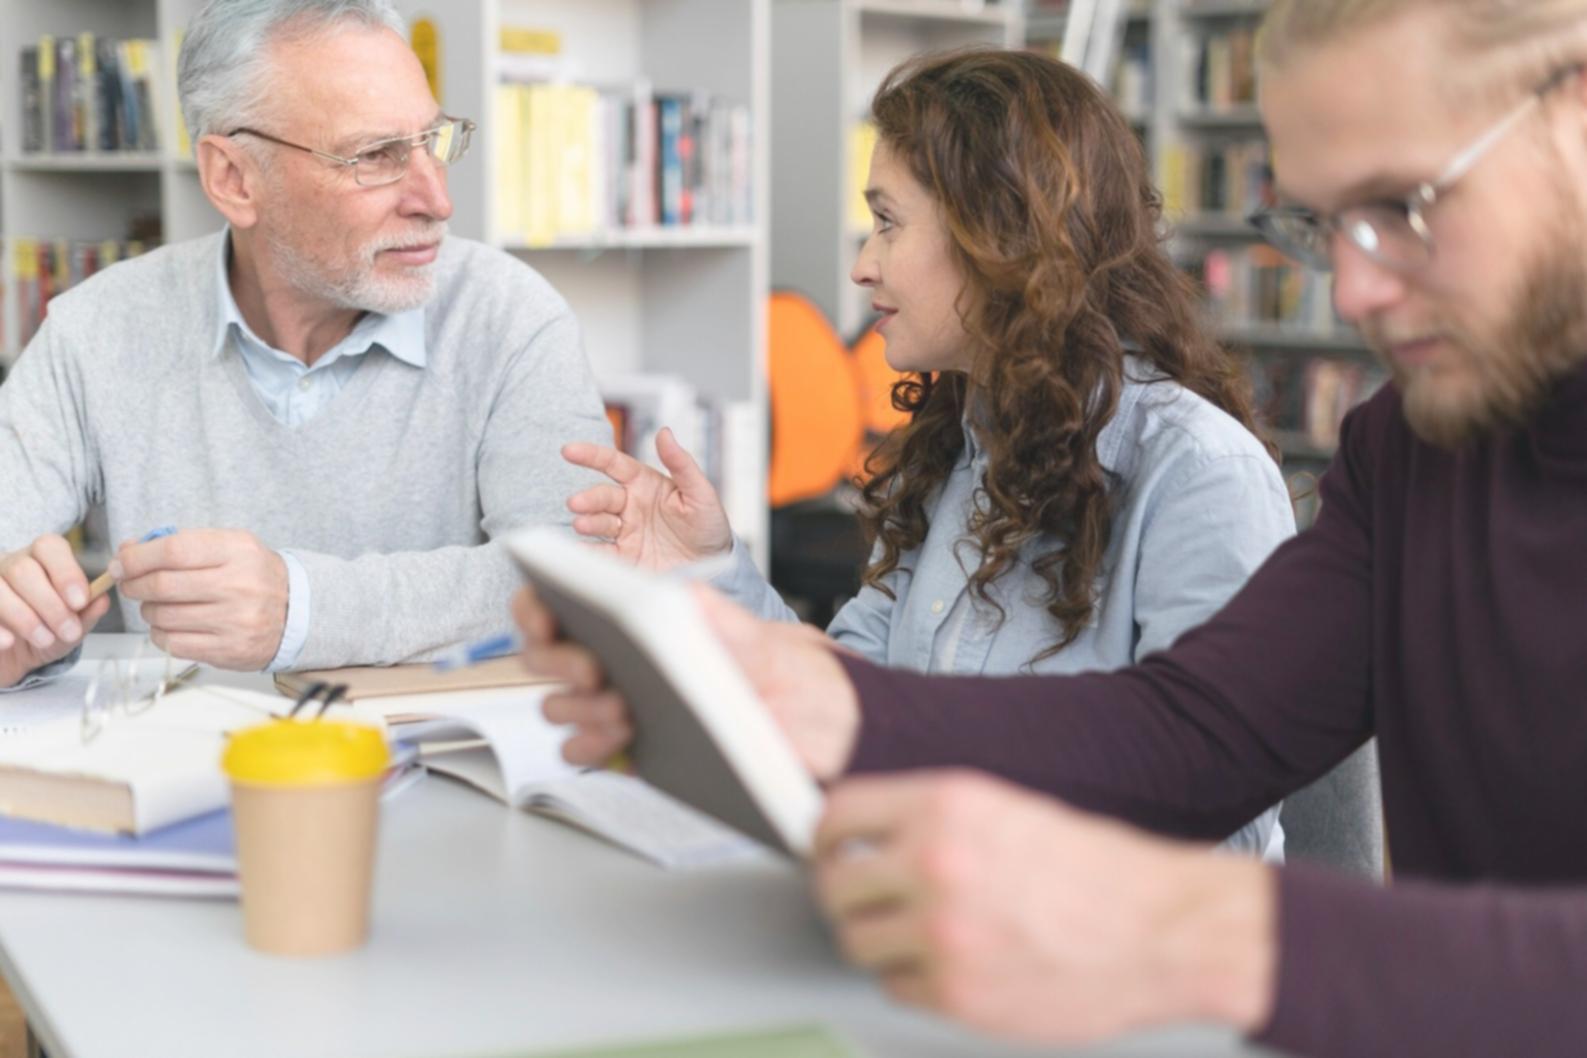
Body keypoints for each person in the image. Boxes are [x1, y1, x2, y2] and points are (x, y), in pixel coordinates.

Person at [517, 1, 1587, 1055]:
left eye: (1401, 203)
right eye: (1318, 225)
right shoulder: (1412, 450)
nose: (1352, 288)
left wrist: (1198, 929)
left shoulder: (1202, 464)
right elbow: (1197, 731)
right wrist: (806, 696)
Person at [557, 50, 1293, 857]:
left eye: (887, 222)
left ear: (999, 233)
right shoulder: (963, 446)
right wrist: (705, 571)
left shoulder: (1197, 474)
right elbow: (847, 700)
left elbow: (1216, 826)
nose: (861, 264)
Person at [0, 0, 609, 690]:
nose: (436, 199)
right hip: (176, 769)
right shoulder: (95, 329)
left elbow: (571, 581)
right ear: (233, 178)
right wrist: (20, 631)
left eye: (432, 140)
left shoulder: (509, 315)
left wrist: (303, 609)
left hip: (445, 775)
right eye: (376, 156)